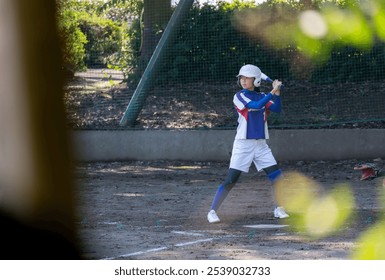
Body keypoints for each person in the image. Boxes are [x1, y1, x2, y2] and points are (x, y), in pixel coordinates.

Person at [207, 64, 289, 223]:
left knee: (277, 177)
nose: (243, 81)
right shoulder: (239, 96)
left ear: (256, 80)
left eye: (247, 78)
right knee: (231, 180)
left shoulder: (264, 96)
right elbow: (256, 106)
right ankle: (212, 211)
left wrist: (277, 93)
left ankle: (279, 208)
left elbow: (277, 109)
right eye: (241, 78)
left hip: (261, 145)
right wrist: (273, 91)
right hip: (243, 144)